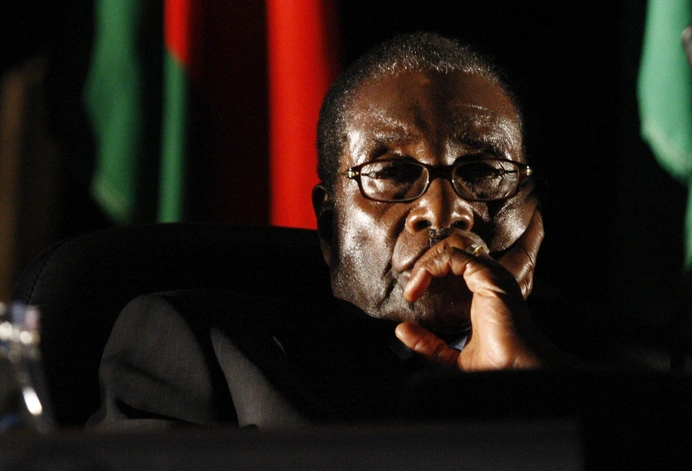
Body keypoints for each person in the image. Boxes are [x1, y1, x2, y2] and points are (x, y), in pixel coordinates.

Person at [89, 33, 578, 429]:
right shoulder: (198, 348)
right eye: (391, 173)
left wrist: (526, 394)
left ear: (534, 208)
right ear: (329, 224)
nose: (444, 209)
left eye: (484, 171)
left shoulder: (617, 371)